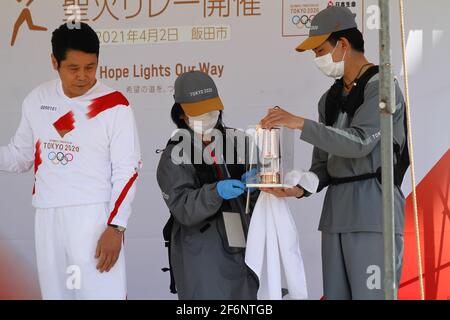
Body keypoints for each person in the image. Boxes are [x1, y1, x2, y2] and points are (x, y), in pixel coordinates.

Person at [260, 6, 407, 300]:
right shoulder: (329, 99)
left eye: (319, 50)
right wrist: (300, 187)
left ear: (342, 44)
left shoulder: (383, 86)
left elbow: (360, 142)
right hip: (334, 217)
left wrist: (299, 123)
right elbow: (323, 164)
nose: (318, 59)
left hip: (373, 213)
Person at [0, 22, 141, 299]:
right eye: (73, 68)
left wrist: (116, 226)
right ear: (55, 62)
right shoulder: (37, 99)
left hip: (94, 218)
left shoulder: (114, 105)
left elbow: (127, 171)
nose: (83, 76)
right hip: (48, 214)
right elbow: (20, 156)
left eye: (90, 67)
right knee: (57, 295)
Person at [157, 71, 259, 300]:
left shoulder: (239, 140)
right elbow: (182, 207)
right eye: (198, 112)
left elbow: (266, 185)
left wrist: (260, 183)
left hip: (246, 242)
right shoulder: (175, 153)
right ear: (181, 114)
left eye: (211, 110)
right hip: (203, 248)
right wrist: (216, 191)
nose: (208, 116)